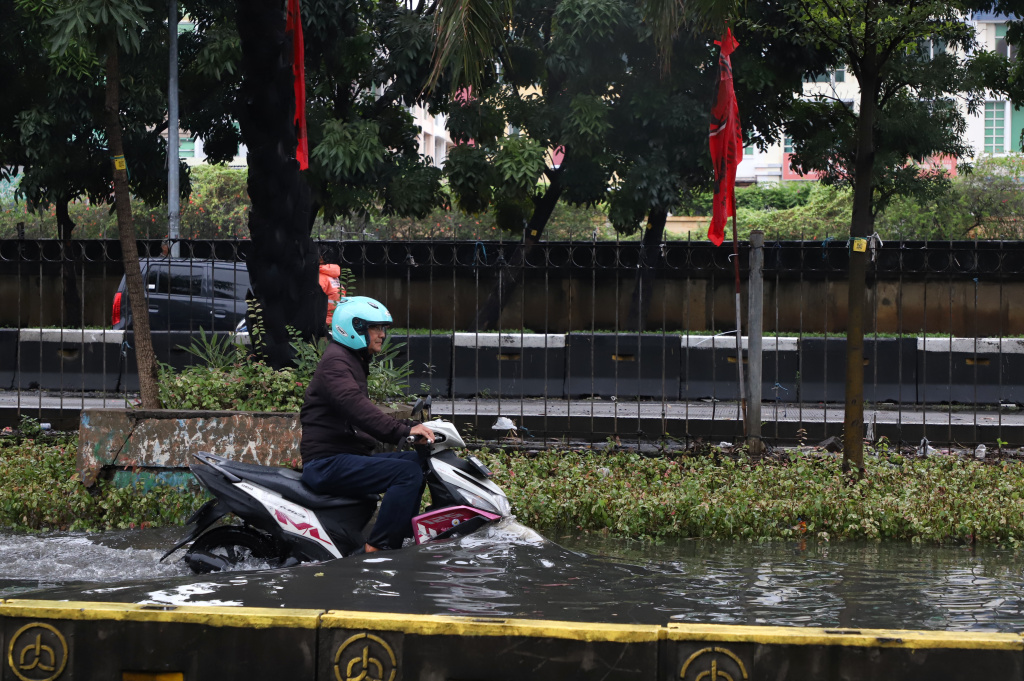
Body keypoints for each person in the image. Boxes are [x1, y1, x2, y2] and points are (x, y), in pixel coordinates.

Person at [299, 296, 435, 553]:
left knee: (417, 463)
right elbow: (358, 409)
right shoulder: (336, 364)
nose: (382, 334)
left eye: (383, 328)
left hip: (342, 457)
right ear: (355, 328)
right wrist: (404, 430)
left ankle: (401, 537)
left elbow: (363, 412)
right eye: (376, 328)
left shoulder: (351, 360)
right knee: (406, 473)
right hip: (327, 463)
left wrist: (416, 428)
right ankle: (377, 548)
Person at [318, 259, 345, 330]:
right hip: (338, 317)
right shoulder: (333, 275)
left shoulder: (321, 277)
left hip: (325, 320)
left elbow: (314, 300)